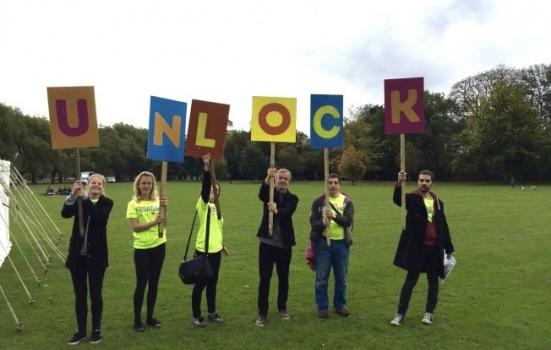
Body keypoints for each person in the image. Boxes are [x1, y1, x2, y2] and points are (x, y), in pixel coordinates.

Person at [390, 170, 455, 326]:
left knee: (433, 281)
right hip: (417, 248)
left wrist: (449, 246)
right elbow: (398, 200)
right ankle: (400, 314)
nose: (424, 183)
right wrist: (399, 183)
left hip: (435, 248)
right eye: (421, 180)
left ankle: (429, 313)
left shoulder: (438, 202)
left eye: (427, 181)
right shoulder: (411, 199)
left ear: (432, 183)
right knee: (410, 281)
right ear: (417, 182)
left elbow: (443, 225)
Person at [62, 174, 113, 345]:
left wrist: (84, 198)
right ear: (88, 184)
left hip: (96, 258)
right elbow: (65, 214)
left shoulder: (107, 203)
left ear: (103, 186)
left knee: (96, 294)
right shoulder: (79, 200)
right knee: (80, 295)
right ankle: (81, 330)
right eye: (93, 183)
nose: (96, 185)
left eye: (99, 183)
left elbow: (99, 218)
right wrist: (72, 195)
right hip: (78, 256)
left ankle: (96, 329)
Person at [255, 167, 298, 327]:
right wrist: (267, 178)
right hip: (267, 244)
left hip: (284, 245)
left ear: (289, 182)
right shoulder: (269, 193)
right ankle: (262, 313)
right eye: (280, 178)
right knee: (264, 279)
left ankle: (282, 307)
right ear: (276, 179)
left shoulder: (293, 198)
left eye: (286, 179)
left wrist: (277, 210)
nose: (282, 181)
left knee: (283, 278)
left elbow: (287, 213)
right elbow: (261, 194)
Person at [309, 173, 354, 320]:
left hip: (341, 244)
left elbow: (348, 221)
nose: (332, 185)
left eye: (335, 183)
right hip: (323, 243)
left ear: (340, 184)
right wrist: (323, 223)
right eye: (330, 183)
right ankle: (322, 308)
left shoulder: (347, 202)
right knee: (321, 278)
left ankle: (339, 306)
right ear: (326, 185)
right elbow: (313, 222)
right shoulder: (318, 202)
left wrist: (334, 216)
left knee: (341, 278)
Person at [126, 171, 167, 332]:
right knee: (141, 284)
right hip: (142, 248)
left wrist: (165, 208)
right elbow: (135, 227)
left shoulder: (158, 201)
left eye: (149, 183)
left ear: (153, 185)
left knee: (154, 283)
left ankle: (150, 317)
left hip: (159, 245)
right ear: (138, 185)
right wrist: (154, 222)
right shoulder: (133, 204)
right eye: (143, 183)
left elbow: (164, 222)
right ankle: (137, 320)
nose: (146, 186)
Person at [191, 154, 228, 327]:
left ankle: (212, 312)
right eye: (212, 190)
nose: (214, 191)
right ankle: (197, 315)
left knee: (213, 283)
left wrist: (221, 246)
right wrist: (207, 170)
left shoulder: (217, 208)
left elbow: (216, 230)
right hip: (203, 251)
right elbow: (205, 190)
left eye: (217, 190)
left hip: (215, 251)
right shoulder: (203, 205)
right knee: (200, 284)